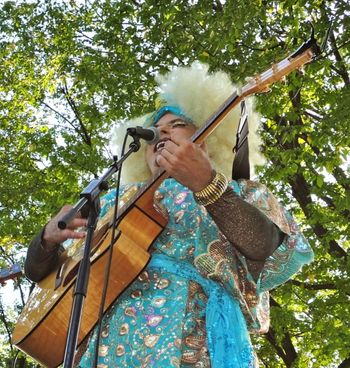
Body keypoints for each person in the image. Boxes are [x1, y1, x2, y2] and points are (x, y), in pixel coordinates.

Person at [24, 63, 314, 368]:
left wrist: (207, 184)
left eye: (176, 124)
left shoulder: (238, 189)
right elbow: (43, 275)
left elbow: (270, 250)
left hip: (193, 336)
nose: (160, 132)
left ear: (205, 139)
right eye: (154, 132)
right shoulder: (112, 201)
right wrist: (46, 240)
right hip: (106, 347)